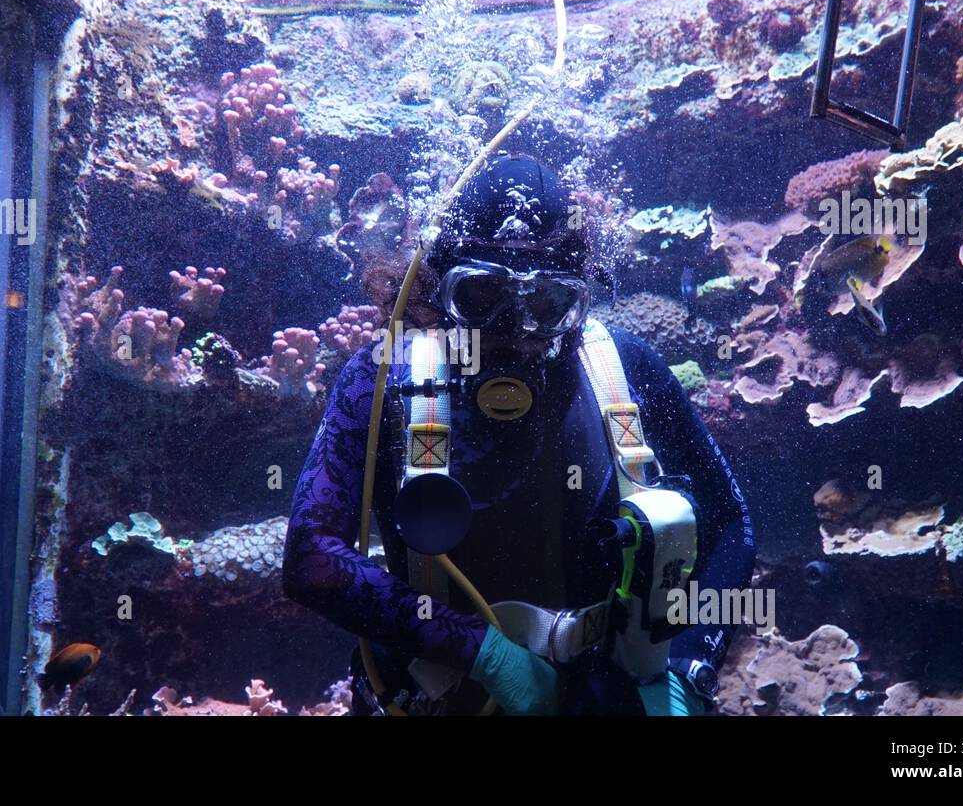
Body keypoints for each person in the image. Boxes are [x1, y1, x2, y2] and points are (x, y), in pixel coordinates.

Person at [283, 154, 755, 715]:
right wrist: (485, 653)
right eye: (481, 299)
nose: (515, 332)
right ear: (436, 284)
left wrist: (687, 670)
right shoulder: (384, 376)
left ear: (578, 300)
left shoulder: (623, 369)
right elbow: (311, 556)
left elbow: (731, 522)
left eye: (548, 305)